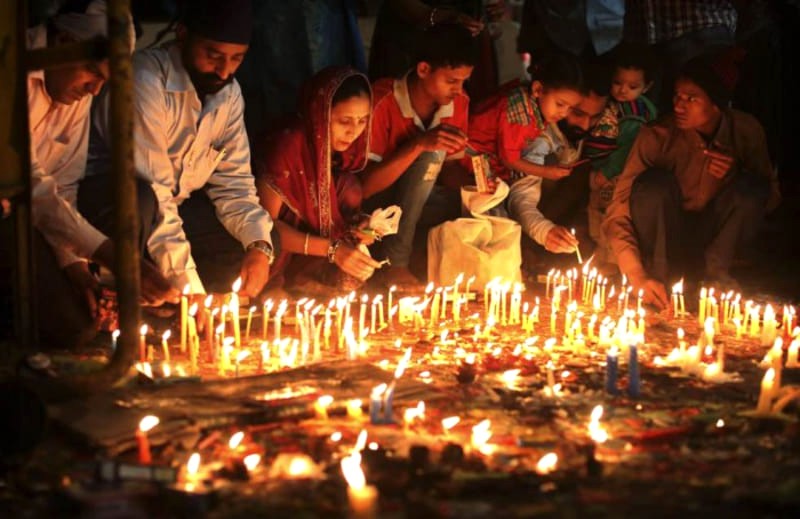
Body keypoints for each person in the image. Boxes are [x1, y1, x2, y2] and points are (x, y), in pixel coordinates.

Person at [91, 0, 277, 302]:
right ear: (181, 34)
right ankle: (128, 298)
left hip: (173, 214)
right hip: (119, 215)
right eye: (213, 55)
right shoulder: (144, 80)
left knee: (261, 240)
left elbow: (235, 187)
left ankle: (177, 301)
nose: (224, 70)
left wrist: (260, 248)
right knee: (140, 200)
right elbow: (155, 190)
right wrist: (191, 288)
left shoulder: (228, 94)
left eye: (236, 59)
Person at [26, 0, 177, 349]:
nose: (95, 90)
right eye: (93, 73)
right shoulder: (11, 69)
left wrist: (75, 266)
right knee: (71, 329)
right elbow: (31, 187)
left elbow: (63, 182)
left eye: (105, 81)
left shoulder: (73, 88)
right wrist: (118, 259)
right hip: (11, 219)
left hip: (41, 218)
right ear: (64, 42)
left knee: (138, 196)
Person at [603, 53, 781, 309]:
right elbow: (619, 209)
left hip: (713, 237)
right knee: (653, 184)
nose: (678, 106)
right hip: (665, 236)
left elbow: (769, 199)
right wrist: (636, 275)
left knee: (751, 187)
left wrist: (734, 174)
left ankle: (715, 276)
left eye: (691, 99)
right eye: (677, 96)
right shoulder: (658, 135)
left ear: (716, 103)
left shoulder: (745, 131)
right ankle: (661, 276)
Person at [362, 24, 476, 288]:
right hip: (376, 209)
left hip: (422, 201)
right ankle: (396, 262)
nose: (459, 90)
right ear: (423, 70)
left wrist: (477, 190)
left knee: (486, 203)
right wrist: (418, 145)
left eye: (463, 81)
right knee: (432, 152)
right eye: (451, 81)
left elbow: (449, 171)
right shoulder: (382, 100)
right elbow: (364, 189)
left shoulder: (459, 102)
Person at [254, 68, 382, 292]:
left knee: (348, 187)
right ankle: (272, 285)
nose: (354, 132)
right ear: (320, 114)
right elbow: (262, 225)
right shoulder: (288, 146)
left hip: (317, 250)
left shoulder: (339, 155)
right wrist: (333, 249)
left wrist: (357, 228)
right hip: (266, 251)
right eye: (345, 121)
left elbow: (330, 211)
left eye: (362, 121)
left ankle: (308, 278)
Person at [465, 53, 585, 256]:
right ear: (538, 89)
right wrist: (546, 172)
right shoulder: (520, 115)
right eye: (560, 104)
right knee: (496, 220)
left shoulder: (531, 105)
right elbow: (509, 159)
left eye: (570, 108)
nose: (564, 113)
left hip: (487, 157)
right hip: (473, 156)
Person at [584, 44, 657, 268]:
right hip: (602, 171)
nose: (623, 90)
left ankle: (611, 264)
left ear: (647, 87)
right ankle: (604, 256)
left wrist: (606, 173)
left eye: (633, 86)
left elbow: (629, 149)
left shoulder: (634, 113)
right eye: (617, 83)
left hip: (617, 176)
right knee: (595, 213)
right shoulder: (614, 104)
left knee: (608, 215)